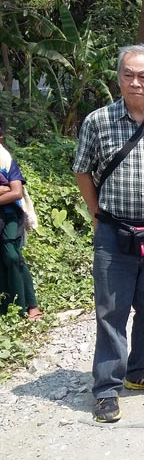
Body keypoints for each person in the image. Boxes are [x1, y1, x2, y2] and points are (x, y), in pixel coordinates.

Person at [74, 44, 144, 423]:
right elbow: (82, 170)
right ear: (118, 78)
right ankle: (107, 387)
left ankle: (140, 370)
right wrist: (95, 212)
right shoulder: (97, 121)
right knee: (111, 311)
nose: (136, 82)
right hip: (113, 233)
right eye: (128, 75)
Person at [0, 123, 42, 320]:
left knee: (12, 256)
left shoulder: (6, 161)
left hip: (10, 215)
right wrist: (3, 189)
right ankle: (8, 306)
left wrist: (6, 190)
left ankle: (29, 304)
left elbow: (16, 192)